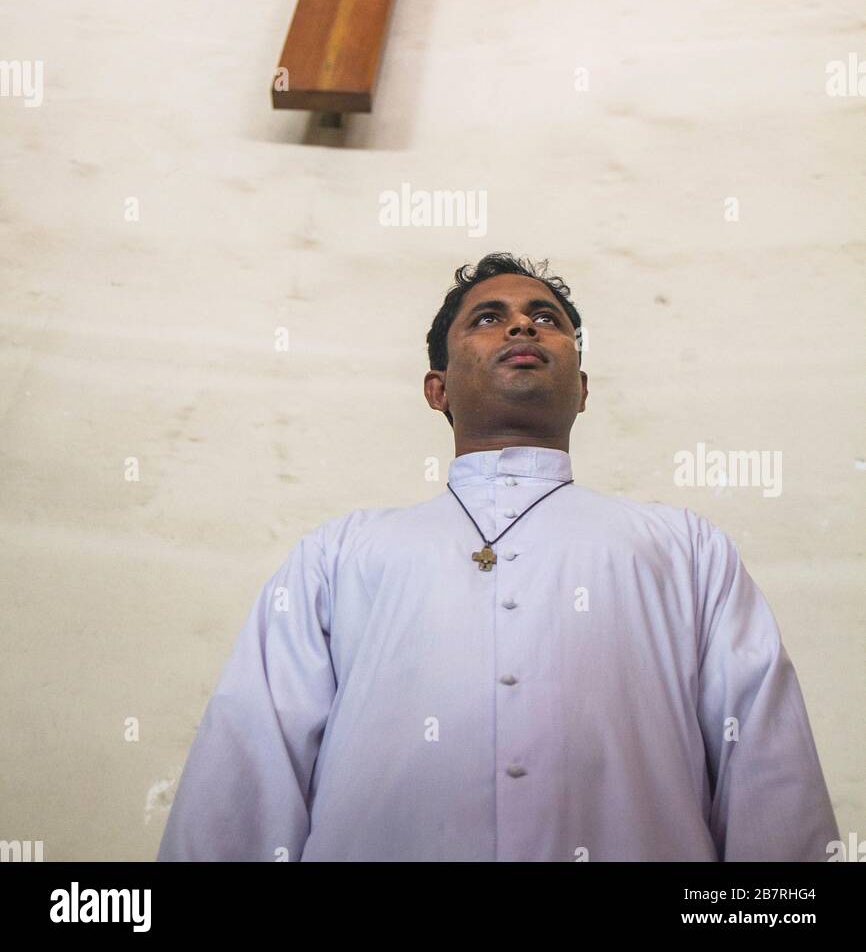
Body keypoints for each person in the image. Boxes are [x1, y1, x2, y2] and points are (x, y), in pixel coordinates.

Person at [157, 252, 839, 862]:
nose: (522, 327)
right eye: (489, 317)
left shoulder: (688, 551)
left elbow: (768, 772)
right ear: (438, 389)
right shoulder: (336, 557)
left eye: (545, 317)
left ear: (584, 387)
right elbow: (249, 763)